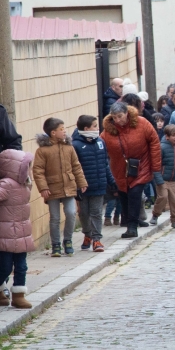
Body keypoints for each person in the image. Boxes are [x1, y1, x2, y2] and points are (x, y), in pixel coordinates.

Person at [101, 102, 161, 239]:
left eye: (120, 116)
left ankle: (132, 227)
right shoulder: (108, 130)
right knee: (124, 195)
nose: (117, 120)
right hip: (120, 169)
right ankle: (131, 220)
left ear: (127, 114)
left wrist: (155, 166)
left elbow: (154, 142)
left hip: (141, 165)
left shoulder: (142, 123)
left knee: (134, 193)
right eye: (114, 117)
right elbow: (101, 147)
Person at [32, 118, 88, 257]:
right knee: (55, 217)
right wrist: (43, 188)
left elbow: (76, 166)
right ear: (53, 132)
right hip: (52, 188)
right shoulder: (43, 151)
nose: (64, 131)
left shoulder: (69, 148)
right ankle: (55, 244)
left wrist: (82, 182)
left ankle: (67, 240)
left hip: (69, 186)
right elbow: (38, 171)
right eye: (61, 129)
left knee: (71, 213)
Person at [72, 115, 115, 252]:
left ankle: (97, 239)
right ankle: (87, 234)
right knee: (84, 213)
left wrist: (111, 181)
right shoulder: (76, 145)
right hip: (83, 187)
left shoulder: (100, 142)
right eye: (95, 126)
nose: (98, 128)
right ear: (86, 128)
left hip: (99, 185)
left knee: (96, 212)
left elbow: (105, 164)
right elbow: (74, 167)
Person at [0, 149, 35, 309]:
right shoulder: (6, 184)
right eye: (26, 167)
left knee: (22, 266)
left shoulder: (26, 184)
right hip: (5, 234)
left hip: (22, 233)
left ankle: (19, 295)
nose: (28, 170)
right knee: (5, 266)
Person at [150, 124, 175, 229]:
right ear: (167, 136)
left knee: (174, 200)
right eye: (173, 135)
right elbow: (156, 165)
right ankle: (155, 214)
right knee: (163, 197)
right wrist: (158, 179)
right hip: (163, 178)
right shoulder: (161, 147)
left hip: (173, 179)